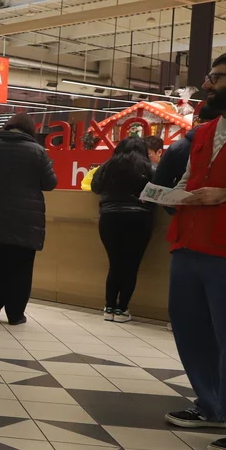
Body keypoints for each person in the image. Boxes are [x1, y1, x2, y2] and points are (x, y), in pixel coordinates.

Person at [164, 90, 226, 450]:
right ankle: (211, 404)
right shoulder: (202, 132)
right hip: (188, 242)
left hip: (223, 246)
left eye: (218, 77)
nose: (209, 84)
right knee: (190, 326)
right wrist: (171, 195)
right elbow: (188, 178)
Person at [0, 113, 58, 325]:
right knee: (21, 268)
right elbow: (50, 183)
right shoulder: (37, 150)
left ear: (8, 127)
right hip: (25, 220)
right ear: (30, 130)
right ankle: (16, 314)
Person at [90, 136, 155, 323]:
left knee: (115, 264)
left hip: (110, 218)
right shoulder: (149, 167)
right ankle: (122, 309)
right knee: (131, 266)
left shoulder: (107, 166)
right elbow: (159, 190)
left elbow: (95, 187)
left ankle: (109, 307)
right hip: (139, 219)